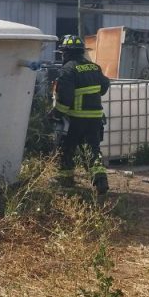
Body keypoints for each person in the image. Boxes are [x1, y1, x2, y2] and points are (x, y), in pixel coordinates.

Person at [52, 34, 111, 195]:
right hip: (95, 117)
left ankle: (66, 182)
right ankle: (100, 181)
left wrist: (57, 114)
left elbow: (65, 97)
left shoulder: (68, 69)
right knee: (92, 149)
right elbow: (105, 86)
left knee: (66, 149)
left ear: (67, 53)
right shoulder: (94, 67)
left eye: (63, 53)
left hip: (75, 119)